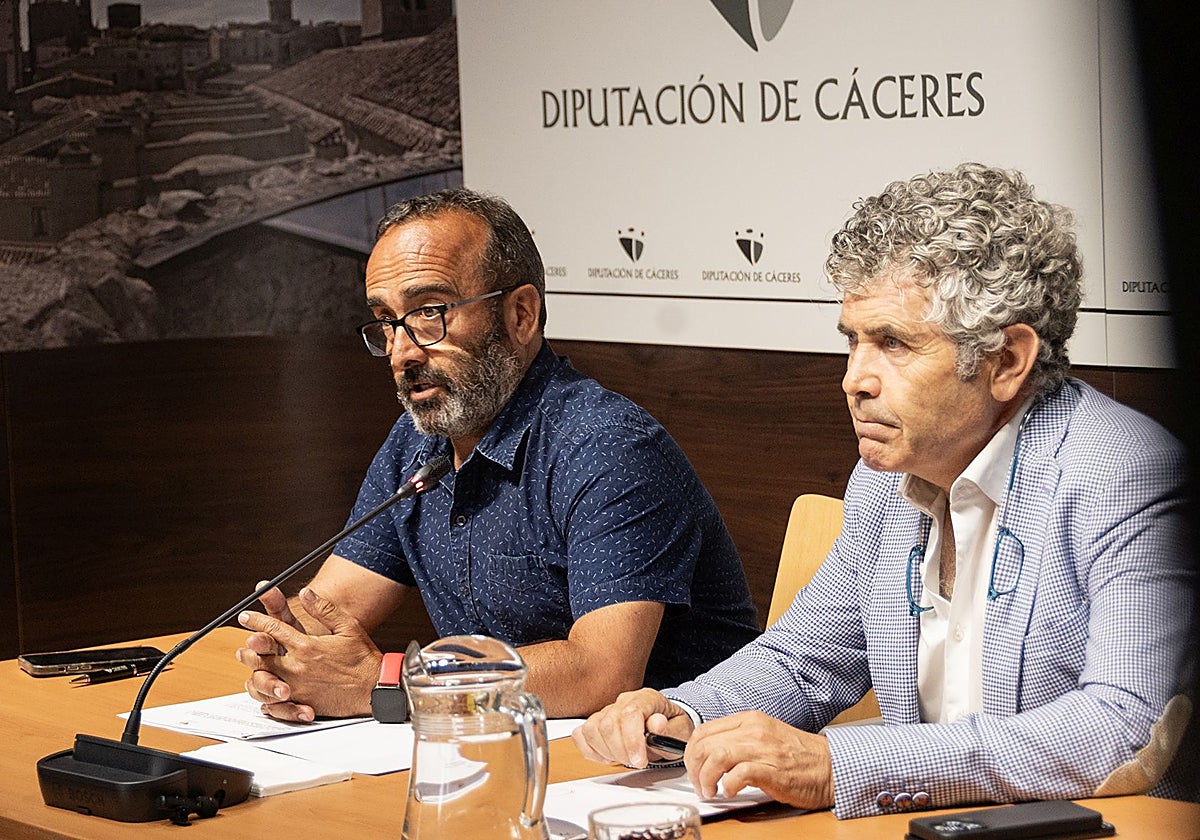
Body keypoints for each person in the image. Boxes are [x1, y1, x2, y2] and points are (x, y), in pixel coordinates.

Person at [572, 163, 1195, 818]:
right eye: (854, 342)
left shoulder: (1130, 475)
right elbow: (801, 662)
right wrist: (681, 713)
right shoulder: (883, 482)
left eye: (893, 343)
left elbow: (1125, 727)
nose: (854, 379)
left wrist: (841, 765)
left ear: (1007, 361)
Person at [234, 188, 760, 721]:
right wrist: (284, 652)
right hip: (516, 747)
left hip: (675, 763)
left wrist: (392, 683)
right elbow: (330, 610)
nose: (402, 352)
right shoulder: (415, 446)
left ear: (521, 315)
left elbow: (601, 673)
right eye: (388, 322)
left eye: (429, 314)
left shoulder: (607, 446)